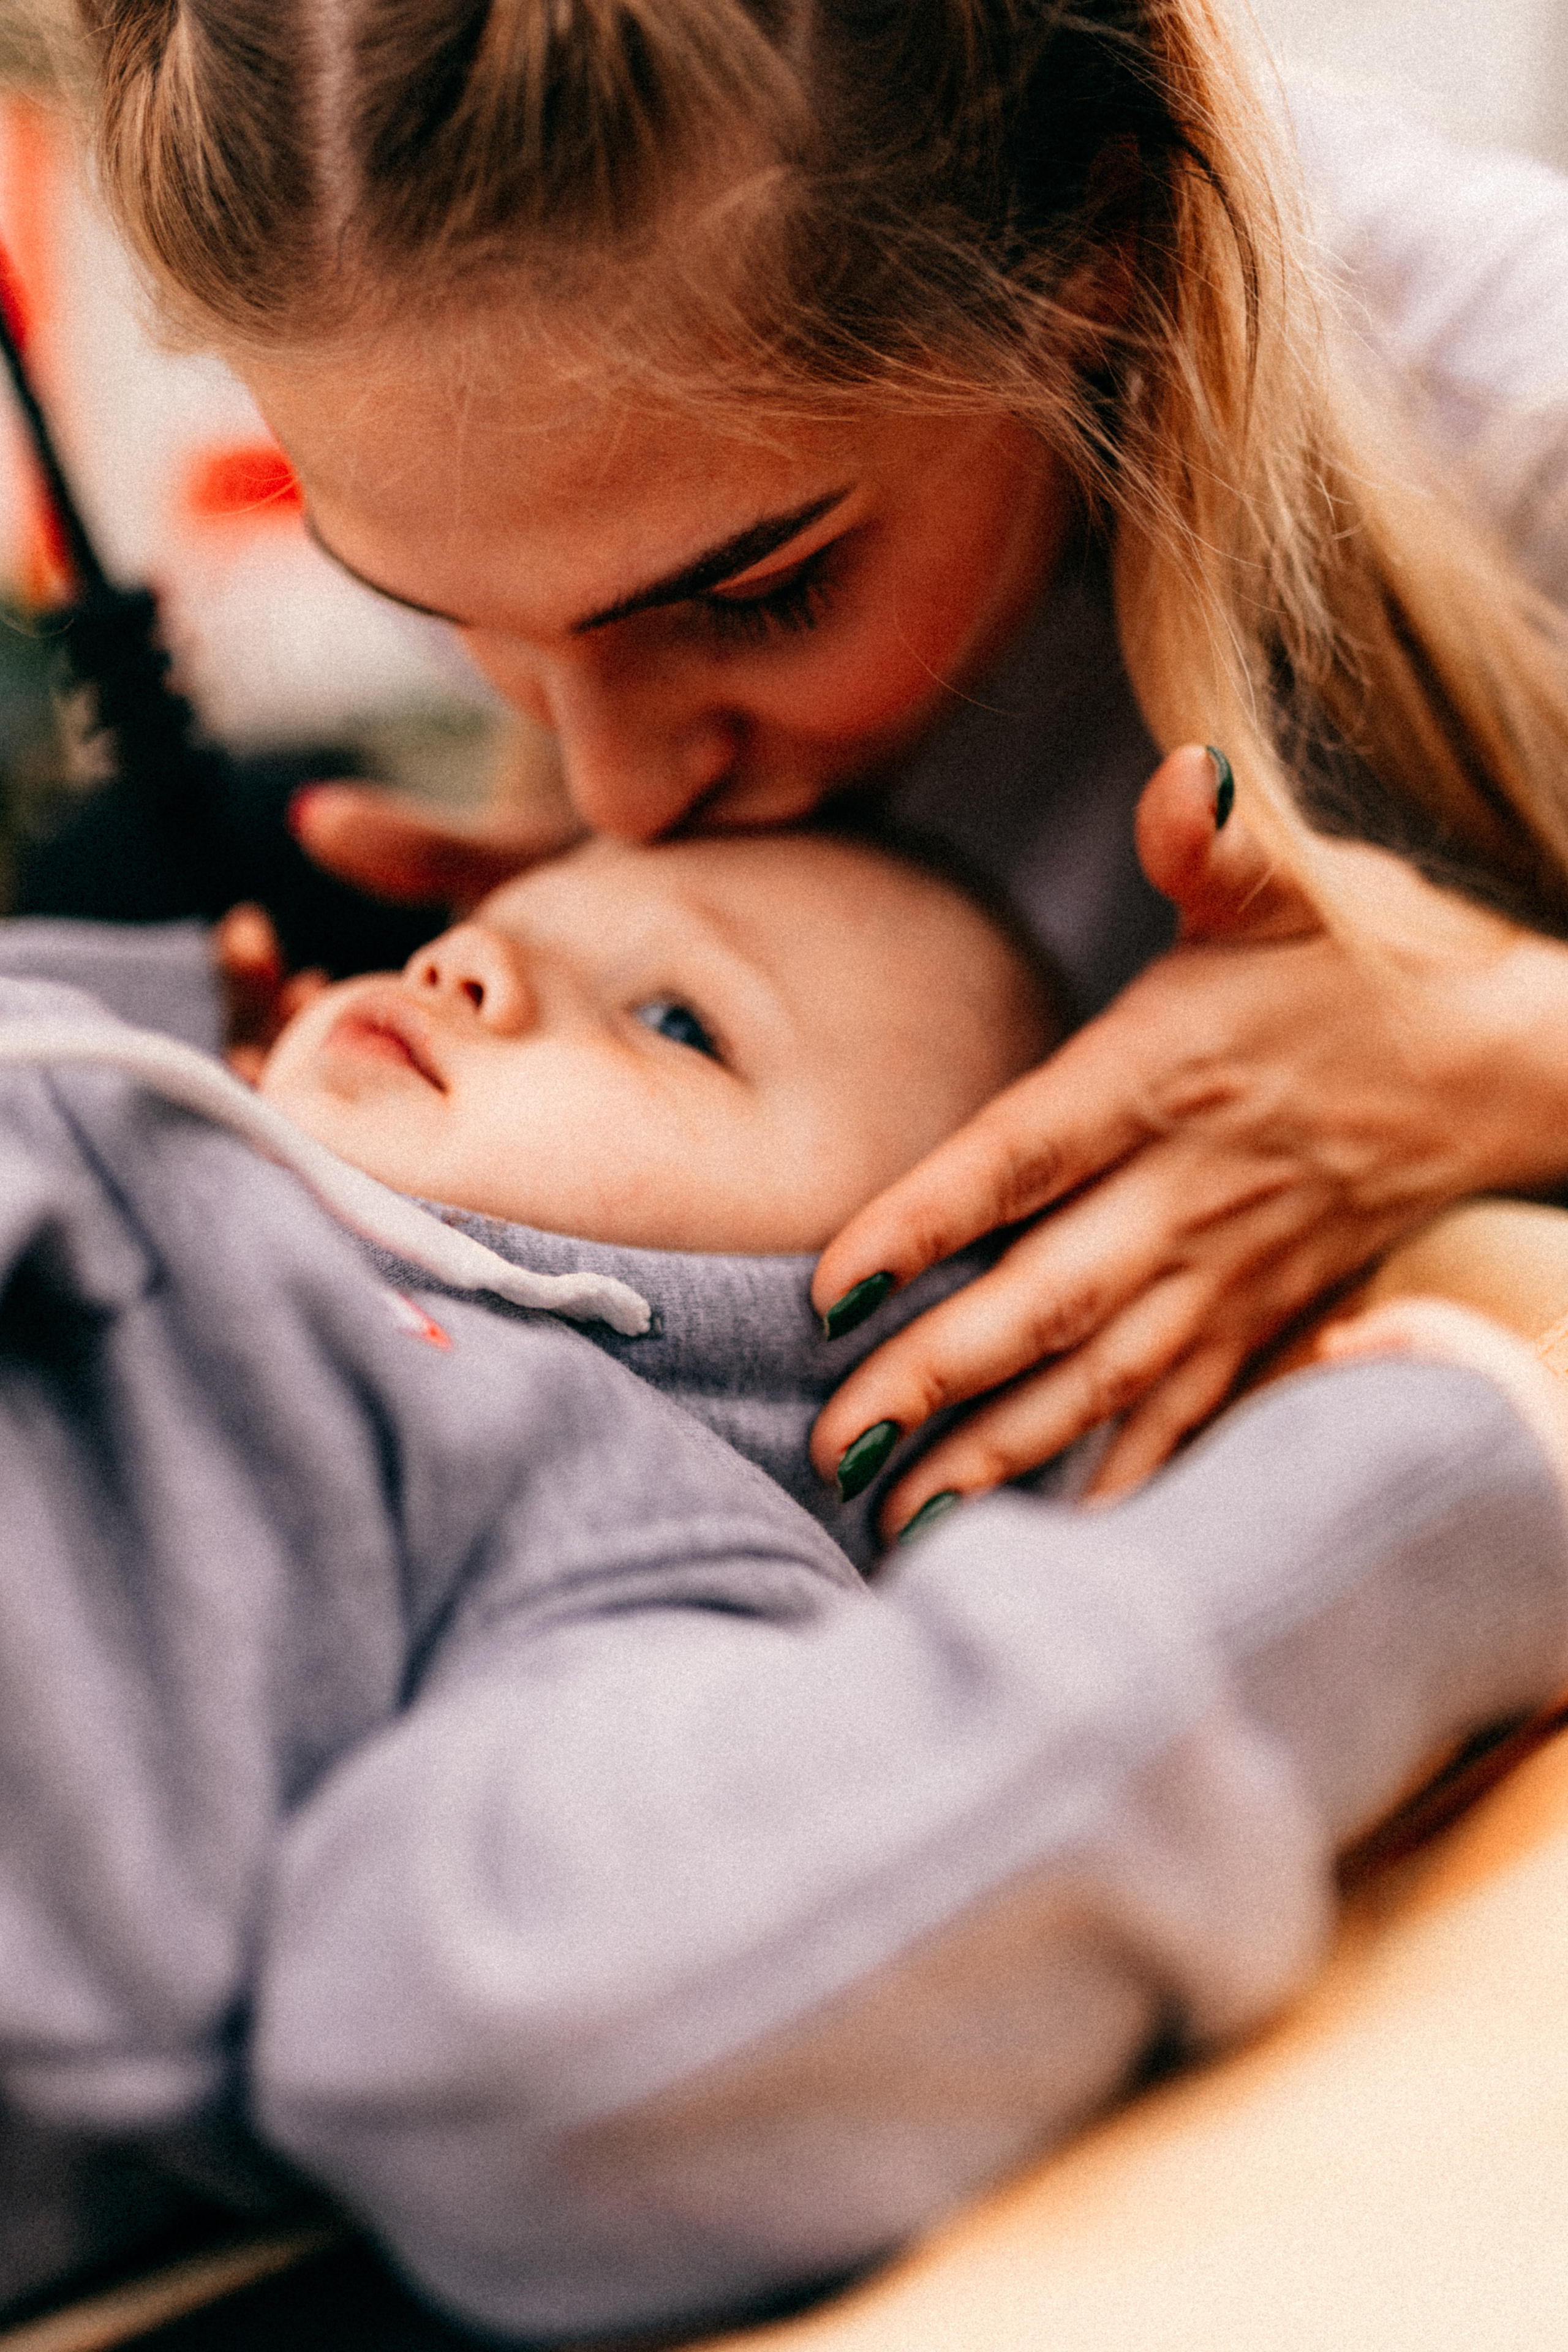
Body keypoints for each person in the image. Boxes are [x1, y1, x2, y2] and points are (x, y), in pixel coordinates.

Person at [2, 826, 1568, 2339]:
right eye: (493, 927)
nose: (468, 963)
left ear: (959, 1308)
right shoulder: (151, 1095)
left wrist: (1404, 1503)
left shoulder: (611, 1512)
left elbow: (536, 2018)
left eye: (675, 1020)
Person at [72, 0, 1568, 1531]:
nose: (613, 799)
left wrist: (1492, 1057)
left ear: (1094, 262)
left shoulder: (1518, 398)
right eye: (450, 614)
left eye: (751, 595)